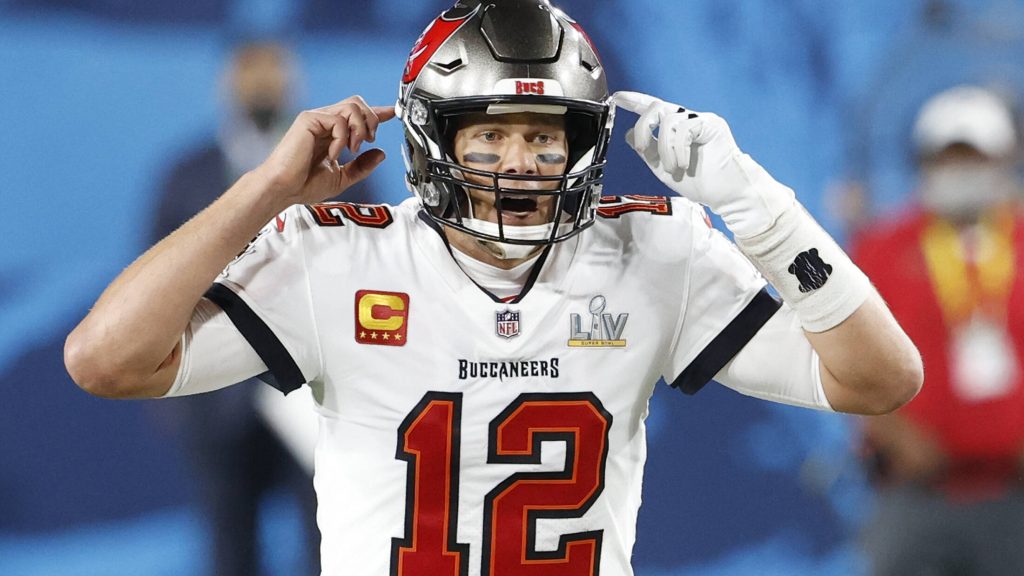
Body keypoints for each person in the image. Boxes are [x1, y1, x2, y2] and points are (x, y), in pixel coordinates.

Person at [64, 1, 922, 574]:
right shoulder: (337, 256)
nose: (519, 163)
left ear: (584, 146)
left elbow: (881, 380)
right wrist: (265, 192)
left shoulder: (657, 247)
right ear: (432, 139)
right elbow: (105, 360)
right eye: (489, 136)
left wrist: (757, 207)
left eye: (546, 138)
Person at [151, 39, 319, 576]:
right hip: (217, 395)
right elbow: (155, 288)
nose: (263, 87)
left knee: (330, 531)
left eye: (273, 74)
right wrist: (172, 394)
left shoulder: (334, 169)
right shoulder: (188, 175)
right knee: (230, 542)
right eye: (251, 75)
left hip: (310, 388)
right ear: (227, 85)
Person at [852, 85, 1024, 576]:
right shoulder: (881, 249)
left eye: (975, 158)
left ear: (1005, 160)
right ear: (922, 163)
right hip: (916, 491)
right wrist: (893, 433)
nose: (962, 172)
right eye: (948, 158)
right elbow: (845, 353)